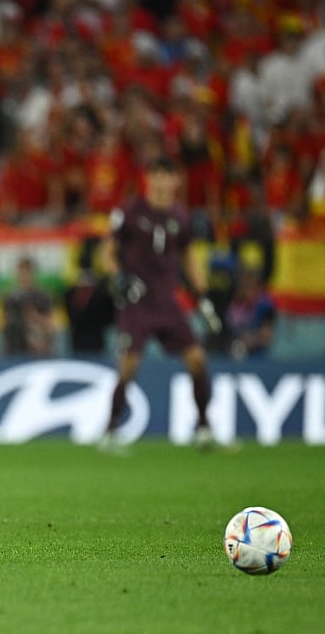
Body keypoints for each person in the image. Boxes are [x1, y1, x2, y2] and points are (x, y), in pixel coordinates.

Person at [98, 157, 221, 450]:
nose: (162, 181)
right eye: (156, 175)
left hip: (168, 302)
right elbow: (107, 251)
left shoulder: (181, 217)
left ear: (176, 181)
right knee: (129, 365)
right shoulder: (129, 211)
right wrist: (119, 278)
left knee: (196, 359)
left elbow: (189, 258)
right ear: (148, 178)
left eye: (168, 175)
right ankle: (110, 430)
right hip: (137, 302)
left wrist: (203, 295)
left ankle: (204, 428)